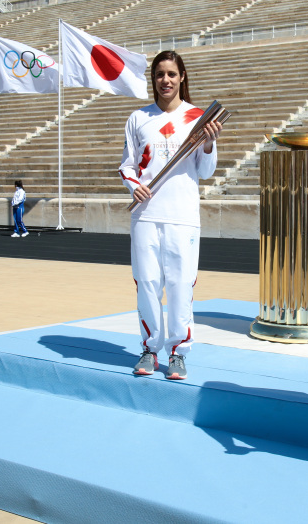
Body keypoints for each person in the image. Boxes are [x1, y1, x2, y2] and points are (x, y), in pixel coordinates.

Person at [118, 50, 222, 380]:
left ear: (182, 77)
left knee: (180, 286)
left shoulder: (198, 117)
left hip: (182, 215)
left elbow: (205, 171)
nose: (166, 80)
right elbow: (127, 165)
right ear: (154, 79)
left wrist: (209, 144)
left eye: (172, 74)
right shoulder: (138, 118)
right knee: (147, 283)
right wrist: (134, 186)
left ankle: (178, 352)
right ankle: (150, 349)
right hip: (146, 215)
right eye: (160, 74)